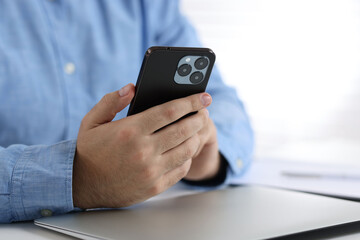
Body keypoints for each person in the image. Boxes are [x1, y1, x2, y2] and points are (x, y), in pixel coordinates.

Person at [0, 0, 254, 223]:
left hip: (147, 220)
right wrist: (80, 177)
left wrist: (202, 154)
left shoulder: (149, 4)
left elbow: (223, 102)